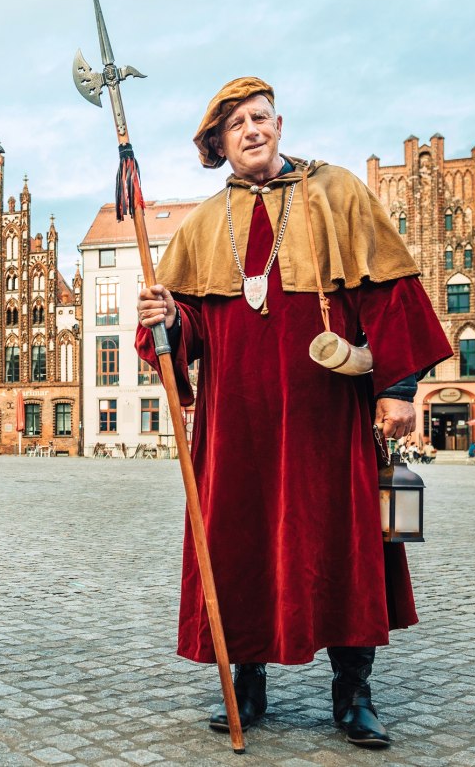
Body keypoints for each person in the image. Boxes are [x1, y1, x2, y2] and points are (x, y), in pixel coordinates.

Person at [136, 77, 451, 749]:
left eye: (260, 118)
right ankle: (244, 683)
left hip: (326, 417)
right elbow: (186, 329)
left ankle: (353, 692)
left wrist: (399, 386)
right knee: (238, 542)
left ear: (279, 124)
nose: (251, 131)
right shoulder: (198, 224)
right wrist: (168, 320)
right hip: (235, 422)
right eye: (236, 126)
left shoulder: (336, 194)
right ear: (220, 145)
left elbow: (391, 292)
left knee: (343, 539)